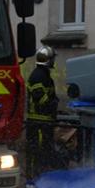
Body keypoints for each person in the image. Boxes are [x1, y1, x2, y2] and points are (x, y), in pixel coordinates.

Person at [26, 44, 58, 179]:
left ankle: (42, 175)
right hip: (39, 122)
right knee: (37, 151)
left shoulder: (43, 74)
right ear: (48, 59)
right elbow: (39, 97)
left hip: (43, 121)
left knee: (45, 150)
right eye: (53, 58)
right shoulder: (39, 76)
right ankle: (34, 177)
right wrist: (52, 104)